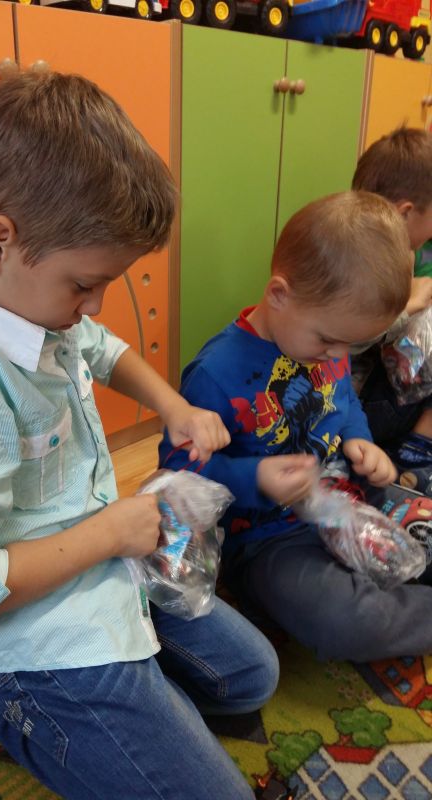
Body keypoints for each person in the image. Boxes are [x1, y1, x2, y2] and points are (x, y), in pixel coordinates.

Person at [0, 69, 279, 800]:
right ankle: (8, 703)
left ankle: (112, 704)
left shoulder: (17, 295)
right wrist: (113, 532)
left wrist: (173, 406)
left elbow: (100, 348)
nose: (95, 304)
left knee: (252, 677)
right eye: (85, 284)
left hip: (94, 561)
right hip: (30, 634)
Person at [160, 191, 432, 663]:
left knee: (422, 536)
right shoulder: (215, 374)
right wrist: (256, 478)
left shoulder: (327, 344)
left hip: (346, 499)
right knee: (347, 621)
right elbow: (177, 473)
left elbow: (343, 400)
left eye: (352, 345)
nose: (337, 356)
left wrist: (360, 440)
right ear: (279, 295)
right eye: (328, 340)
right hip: (268, 538)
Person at [351, 128, 432, 491]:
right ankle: (416, 452)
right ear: (405, 213)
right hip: (352, 407)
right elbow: (344, 339)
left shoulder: (398, 249)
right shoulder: (363, 259)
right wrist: (410, 306)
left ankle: (415, 447)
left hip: (371, 393)